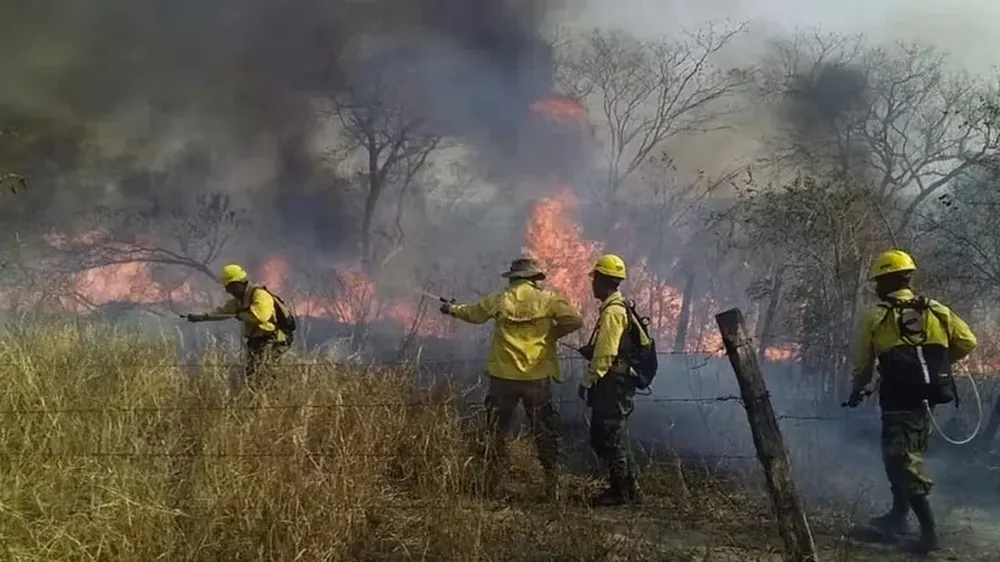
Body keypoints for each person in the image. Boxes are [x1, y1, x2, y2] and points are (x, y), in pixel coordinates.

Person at [847, 249, 977, 553]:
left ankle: (929, 533)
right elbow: (968, 341)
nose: (876, 287)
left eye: (878, 281)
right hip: (928, 399)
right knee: (900, 455)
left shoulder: (876, 315)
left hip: (898, 399)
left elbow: (862, 363)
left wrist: (858, 388)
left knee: (903, 459)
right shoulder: (936, 310)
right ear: (907, 278)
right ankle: (898, 517)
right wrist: (939, 366)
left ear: (886, 281)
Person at [441, 256, 583, 500]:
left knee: (496, 431)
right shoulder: (548, 299)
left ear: (514, 278)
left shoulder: (500, 299)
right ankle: (552, 487)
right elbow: (575, 320)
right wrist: (551, 335)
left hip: (503, 378)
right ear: (533, 279)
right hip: (536, 378)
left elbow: (473, 314)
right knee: (544, 431)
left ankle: (492, 485)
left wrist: (451, 308)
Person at [577, 254, 649, 507]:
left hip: (613, 385)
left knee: (610, 436)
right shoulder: (616, 308)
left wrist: (587, 381)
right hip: (617, 382)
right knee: (612, 436)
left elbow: (607, 354)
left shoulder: (613, 312)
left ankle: (621, 494)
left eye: (594, 278)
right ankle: (629, 490)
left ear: (602, 280)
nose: (592, 283)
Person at [185, 263, 294, 392]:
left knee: (264, 374)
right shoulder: (240, 300)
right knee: (252, 375)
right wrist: (201, 317)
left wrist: (240, 315)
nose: (227, 291)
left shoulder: (260, 295)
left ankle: (270, 400)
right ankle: (258, 401)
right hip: (257, 341)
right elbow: (222, 312)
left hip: (273, 340)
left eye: (229, 287)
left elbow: (260, 316)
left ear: (237, 283)